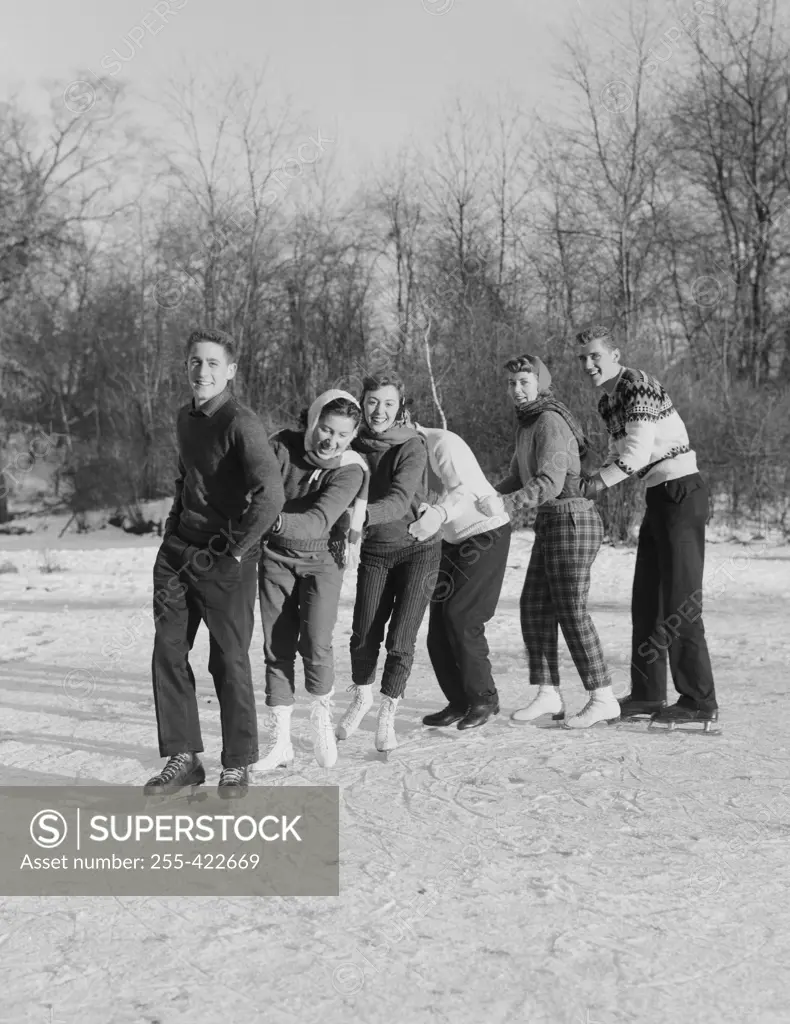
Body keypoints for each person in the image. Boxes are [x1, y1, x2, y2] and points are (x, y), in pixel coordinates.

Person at [145, 328, 284, 799]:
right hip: (178, 554)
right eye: (194, 362)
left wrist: (241, 548)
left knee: (227, 661)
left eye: (211, 363)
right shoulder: (185, 417)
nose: (201, 371)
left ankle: (238, 763)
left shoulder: (241, 423)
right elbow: (188, 476)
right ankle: (183, 758)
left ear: (230, 371)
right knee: (168, 651)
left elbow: (272, 495)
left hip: (226, 562)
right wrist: (171, 529)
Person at [576, 324, 719, 729]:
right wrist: (588, 464)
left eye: (595, 356)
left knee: (680, 602)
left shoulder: (636, 384)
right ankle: (647, 693)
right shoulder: (609, 400)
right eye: (582, 358)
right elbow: (619, 451)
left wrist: (594, 484)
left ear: (615, 356)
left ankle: (699, 700)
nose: (588, 364)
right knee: (648, 602)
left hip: (681, 492)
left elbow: (637, 452)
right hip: (658, 496)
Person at [477, 353, 619, 728]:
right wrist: (481, 500)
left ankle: (603, 696)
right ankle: (548, 693)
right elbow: (514, 477)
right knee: (534, 606)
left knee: (571, 608)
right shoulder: (527, 424)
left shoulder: (550, 420)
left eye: (525, 381)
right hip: (552, 522)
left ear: (541, 382)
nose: (517, 389)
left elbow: (549, 483)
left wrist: (505, 504)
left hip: (573, 520)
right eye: (511, 383)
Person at [254, 390, 369, 773]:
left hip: (323, 559)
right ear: (313, 419)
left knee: (317, 642)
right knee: (277, 645)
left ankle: (320, 717)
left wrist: (269, 518)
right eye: (326, 428)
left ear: (352, 437)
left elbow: (319, 519)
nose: (330, 440)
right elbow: (253, 485)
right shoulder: (281, 446)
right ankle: (280, 741)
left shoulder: (351, 469)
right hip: (275, 557)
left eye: (341, 435)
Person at [335, 371, 441, 753]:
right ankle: (362, 696)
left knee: (400, 639)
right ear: (363, 403)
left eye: (389, 403)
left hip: (418, 548)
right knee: (363, 633)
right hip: (377, 551)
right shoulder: (353, 442)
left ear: (401, 408)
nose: (379, 410)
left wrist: (357, 515)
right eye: (373, 402)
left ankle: (388, 711)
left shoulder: (412, 445)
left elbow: (398, 501)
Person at [406, 418, 511, 729]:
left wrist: (438, 513)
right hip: (454, 541)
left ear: (407, 418)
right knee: (438, 628)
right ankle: (459, 700)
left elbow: (462, 491)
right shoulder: (401, 453)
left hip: (484, 534)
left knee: (463, 617)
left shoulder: (442, 444)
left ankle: (485, 698)